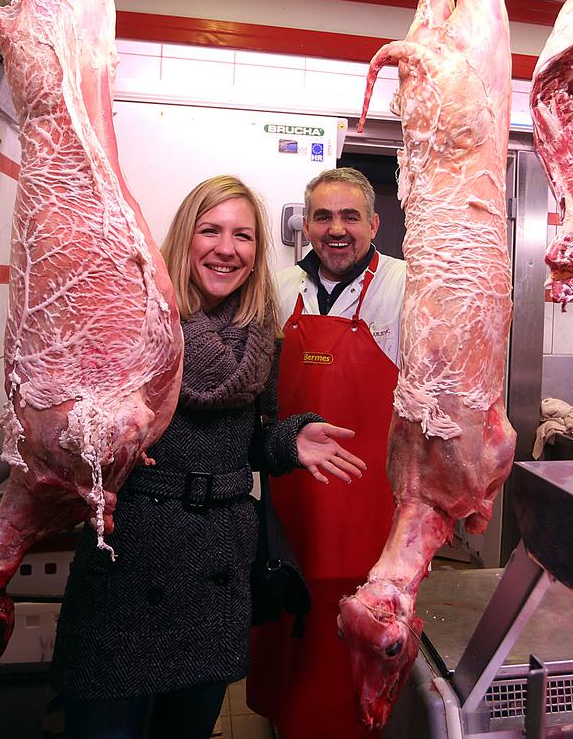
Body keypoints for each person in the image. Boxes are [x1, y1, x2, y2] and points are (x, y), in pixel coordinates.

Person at [52, 175, 366, 739]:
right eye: (211, 230)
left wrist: (287, 441)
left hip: (216, 564)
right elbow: (70, 425)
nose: (227, 248)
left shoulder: (258, 332)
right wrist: (93, 440)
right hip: (130, 556)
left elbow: (248, 440)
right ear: (184, 238)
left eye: (243, 235)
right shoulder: (135, 319)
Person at [248, 167, 407, 738]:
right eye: (323, 216)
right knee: (294, 623)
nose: (336, 229)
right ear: (305, 224)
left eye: (349, 217)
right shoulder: (277, 288)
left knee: (366, 629)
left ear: (374, 224)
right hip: (291, 503)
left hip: (372, 503)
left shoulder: (407, 286)